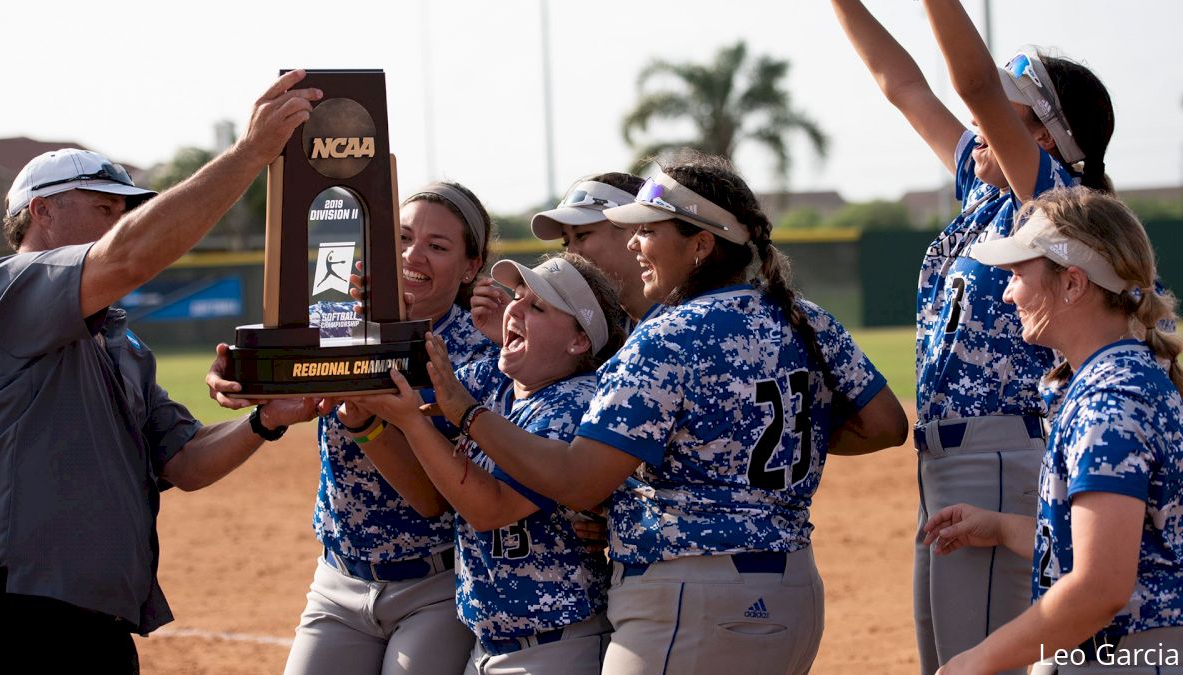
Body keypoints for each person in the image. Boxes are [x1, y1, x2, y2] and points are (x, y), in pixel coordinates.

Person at [424, 151, 908, 673]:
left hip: (691, 598)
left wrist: (468, 414)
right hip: (794, 591)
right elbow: (886, 425)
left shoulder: (669, 334)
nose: (635, 244)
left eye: (649, 231)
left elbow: (578, 481)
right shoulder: (806, 317)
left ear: (700, 245)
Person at [0, 70, 323, 672]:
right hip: (19, 611)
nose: (119, 222)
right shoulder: (9, 288)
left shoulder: (121, 344)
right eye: (103, 207)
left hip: (100, 619)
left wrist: (267, 420)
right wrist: (250, 154)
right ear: (41, 212)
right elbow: (132, 256)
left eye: (125, 210)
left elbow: (185, 463)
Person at [831, 1, 1116, 670]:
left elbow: (974, 85)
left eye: (1005, 109)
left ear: (1047, 136)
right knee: (948, 660)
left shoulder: (1054, 199)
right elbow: (902, 85)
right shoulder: (986, 192)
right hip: (950, 460)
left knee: (978, 662)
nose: (975, 123)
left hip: (1000, 455)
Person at [209, 181, 496, 675]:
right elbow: (274, 379)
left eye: (438, 246)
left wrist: (366, 420)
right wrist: (238, 379)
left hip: (436, 583)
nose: (412, 255)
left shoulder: (479, 354)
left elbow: (434, 500)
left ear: (471, 267)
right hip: (338, 580)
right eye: (402, 238)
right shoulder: (337, 321)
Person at [921, 188, 1183, 673]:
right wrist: (1002, 527)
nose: (1007, 292)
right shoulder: (1127, 377)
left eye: (1019, 274)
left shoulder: (1110, 402)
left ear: (1073, 285)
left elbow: (1100, 589)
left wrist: (974, 661)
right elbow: (1130, 546)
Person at [346, 253, 626, 674]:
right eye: (518, 296)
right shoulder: (499, 381)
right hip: (491, 643)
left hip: (555, 645)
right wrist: (377, 332)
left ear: (579, 341)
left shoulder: (576, 402)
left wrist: (411, 418)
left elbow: (490, 509)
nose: (515, 308)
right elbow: (402, 391)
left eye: (538, 306)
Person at [472, 173, 652, 341]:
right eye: (565, 243)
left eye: (582, 235)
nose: (571, 255)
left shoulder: (677, 324)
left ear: (635, 230)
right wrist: (518, 332)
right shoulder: (607, 328)